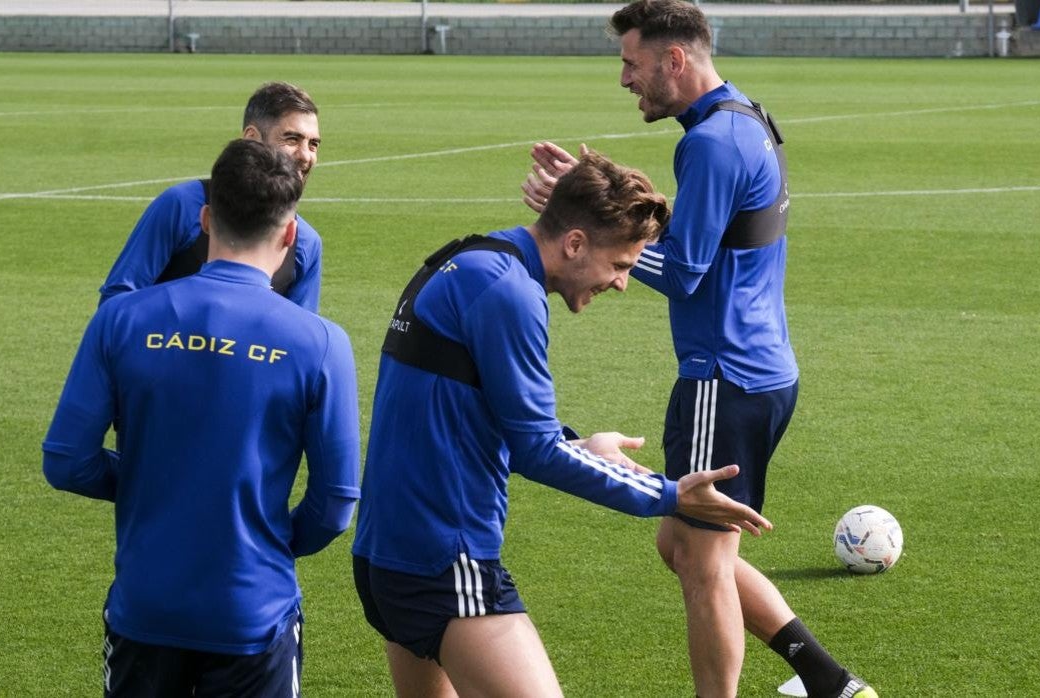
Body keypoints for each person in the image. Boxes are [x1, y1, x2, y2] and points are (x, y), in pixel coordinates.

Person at [519, 2, 875, 696]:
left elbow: (685, 269)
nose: (625, 78)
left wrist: (592, 239)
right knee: (680, 544)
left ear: (673, 59)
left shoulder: (708, 142)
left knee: (702, 561)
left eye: (631, 62)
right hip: (762, 368)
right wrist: (596, 196)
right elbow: (712, 230)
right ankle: (827, 681)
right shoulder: (744, 117)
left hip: (724, 374)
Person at [352, 150, 773, 697]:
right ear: (575, 243)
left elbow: (486, 412)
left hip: (388, 553)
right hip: (444, 561)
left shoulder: (469, 258)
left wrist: (582, 444)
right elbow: (535, 450)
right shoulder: (510, 293)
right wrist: (670, 495)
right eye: (620, 264)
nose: (622, 283)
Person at [43, 138, 360, 697]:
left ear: (206, 219)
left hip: (146, 602)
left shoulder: (120, 320)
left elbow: (68, 462)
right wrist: (273, 536)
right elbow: (335, 503)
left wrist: (148, 481)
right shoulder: (322, 343)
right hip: (253, 609)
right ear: (290, 236)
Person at [100, 81, 324, 311]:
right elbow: (116, 302)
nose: (306, 156)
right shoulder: (182, 205)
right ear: (251, 139)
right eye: (292, 139)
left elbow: (300, 333)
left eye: (313, 144)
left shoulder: (306, 243)